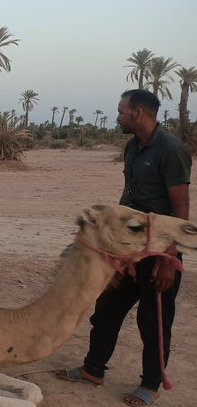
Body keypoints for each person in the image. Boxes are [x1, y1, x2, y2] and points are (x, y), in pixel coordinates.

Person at [56, 89, 191, 407]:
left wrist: (169, 260)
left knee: (153, 320)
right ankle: (93, 369)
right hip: (128, 250)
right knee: (107, 309)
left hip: (159, 250)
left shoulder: (170, 150)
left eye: (121, 111)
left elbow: (181, 211)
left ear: (139, 113)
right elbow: (129, 198)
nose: (117, 117)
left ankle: (151, 384)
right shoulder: (133, 147)